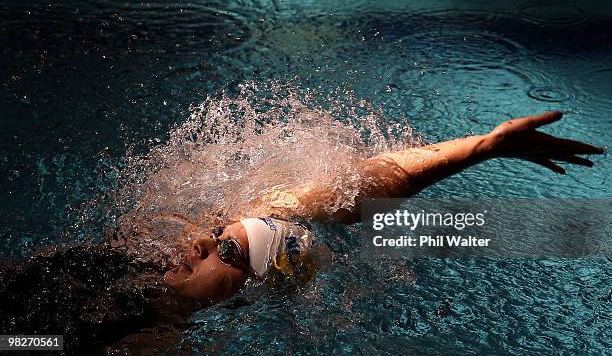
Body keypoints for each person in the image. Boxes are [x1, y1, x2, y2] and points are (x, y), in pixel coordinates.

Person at [0, 111, 604, 353]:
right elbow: (355, 189)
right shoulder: (134, 286)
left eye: (227, 245)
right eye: (225, 236)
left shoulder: (152, 320)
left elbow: (341, 193)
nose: (208, 238)